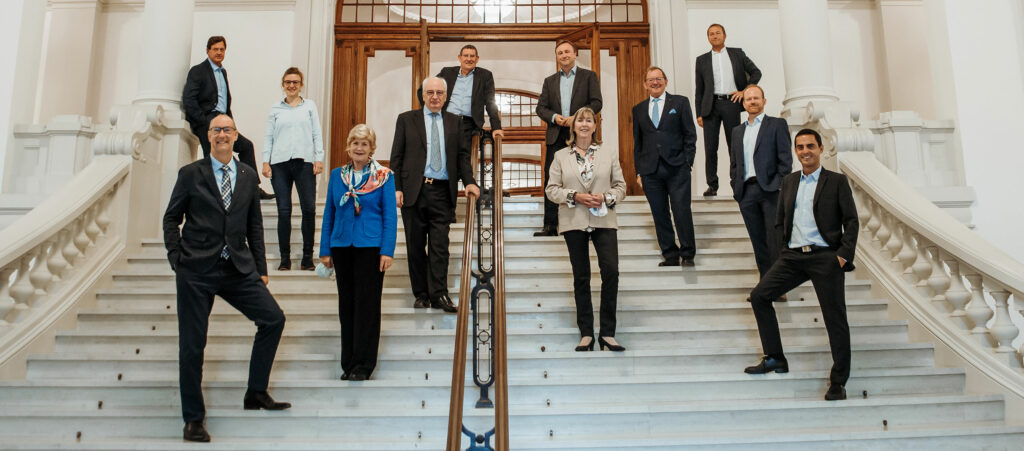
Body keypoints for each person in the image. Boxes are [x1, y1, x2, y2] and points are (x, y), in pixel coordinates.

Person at [162, 114, 290, 443]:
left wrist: (260, 269)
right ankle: (193, 419)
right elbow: (171, 218)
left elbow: (254, 227)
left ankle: (256, 392)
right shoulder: (190, 174)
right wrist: (177, 259)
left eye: (227, 130)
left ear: (236, 136)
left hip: (237, 267)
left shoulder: (247, 176)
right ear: (208, 137)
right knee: (192, 345)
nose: (222, 134)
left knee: (273, 319)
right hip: (196, 271)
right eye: (216, 130)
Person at [744, 128, 859, 402]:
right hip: (793, 257)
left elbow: (852, 221)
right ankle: (775, 358)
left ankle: (839, 381)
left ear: (820, 149)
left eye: (810, 146)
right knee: (760, 296)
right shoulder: (790, 181)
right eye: (800, 147)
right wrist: (783, 249)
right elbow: (781, 219)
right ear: (795, 151)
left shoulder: (837, 181)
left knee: (835, 319)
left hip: (825, 257)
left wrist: (842, 255)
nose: (805, 151)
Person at [390, 76, 481, 313]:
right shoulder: (406, 120)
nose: (434, 97)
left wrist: (469, 182)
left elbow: (462, 156)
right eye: (430, 92)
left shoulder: (455, 122)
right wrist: (396, 188)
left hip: (442, 191)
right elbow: (396, 157)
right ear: (422, 95)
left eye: (439, 93)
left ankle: (439, 294)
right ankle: (421, 294)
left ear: (445, 96)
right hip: (414, 191)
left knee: (440, 246)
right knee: (416, 245)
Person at [545, 107, 627, 352]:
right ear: (573, 126)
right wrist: (575, 196)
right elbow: (552, 190)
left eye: (588, 120)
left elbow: (621, 186)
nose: (584, 124)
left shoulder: (608, 152)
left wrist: (606, 197)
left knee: (611, 272)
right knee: (581, 277)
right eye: (580, 120)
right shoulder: (560, 156)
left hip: (604, 219)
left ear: (594, 125)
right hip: (574, 221)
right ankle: (586, 333)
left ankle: (608, 333)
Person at [319, 124, 397, 382]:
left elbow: (390, 216)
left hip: (371, 248)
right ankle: (348, 362)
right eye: (355, 143)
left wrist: (387, 250)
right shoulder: (336, 175)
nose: (359, 148)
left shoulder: (384, 176)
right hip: (342, 246)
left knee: (368, 306)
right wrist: (325, 249)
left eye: (364, 144)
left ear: (371, 148)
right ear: (348, 147)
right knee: (347, 306)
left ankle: (364, 364)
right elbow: (329, 213)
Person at [182, 35, 273, 199]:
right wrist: (203, 122)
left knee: (245, 146)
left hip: (223, 120)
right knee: (213, 156)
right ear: (208, 51)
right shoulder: (198, 71)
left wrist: (231, 124)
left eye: (222, 49)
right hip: (207, 121)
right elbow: (189, 99)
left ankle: (252, 188)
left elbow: (224, 101)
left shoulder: (222, 72)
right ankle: (211, 192)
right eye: (215, 49)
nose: (219, 52)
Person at [729, 85, 792, 302]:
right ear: (743, 103)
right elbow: (735, 162)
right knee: (758, 241)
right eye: (748, 99)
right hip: (746, 191)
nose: (752, 101)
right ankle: (766, 285)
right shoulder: (737, 131)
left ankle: (779, 286)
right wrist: (735, 185)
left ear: (764, 101)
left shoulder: (777, 125)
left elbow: (785, 160)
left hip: (770, 190)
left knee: (774, 239)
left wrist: (779, 185)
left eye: (756, 98)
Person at [631, 66, 698, 267]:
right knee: (659, 213)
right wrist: (639, 171)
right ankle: (670, 254)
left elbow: (690, 134)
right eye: (650, 79)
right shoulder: (638, 109)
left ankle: (687, 253)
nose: (655, 82)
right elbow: (638, 142)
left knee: (681, 210)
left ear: (666, 81)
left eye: (659, 78)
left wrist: (688, 162)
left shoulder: (680, 102)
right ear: (645, 84)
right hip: (650, 170)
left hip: (677, 167)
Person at [534, 40, 603, 236]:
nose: (564, 55)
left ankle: (589, 224)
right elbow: (541, 108)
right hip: (556, 134)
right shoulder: (549, 81)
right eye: (560, 53)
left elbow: (597, 102)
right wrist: (555, 117)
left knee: (586, 177)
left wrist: (577, 117)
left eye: (567, 52)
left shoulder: (588, 76)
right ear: (557, 57)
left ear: (575, 54)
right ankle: (550, 225)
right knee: (552, 179)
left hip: (581, 134)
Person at [262, 67, 324, 271]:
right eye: (288, 82)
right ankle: (285, 258)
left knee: (309, 208)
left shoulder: (309, 107)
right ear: (283, 84)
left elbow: (316, 133)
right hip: (279, 163)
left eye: (295, 82)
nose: (291, 85)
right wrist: (265, 160)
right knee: (284, 210)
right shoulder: (275, 109)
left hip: (304, 162)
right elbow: (269, 136)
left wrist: (319, 158)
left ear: (301, 85)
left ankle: (307, 257)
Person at [695, 24, 761, 197]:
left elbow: (756, 73)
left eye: (718, 33)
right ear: (708, 37)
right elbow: (699, 89)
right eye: (711, 34)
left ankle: (738, 183)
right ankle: (712, 185)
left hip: (731, 103)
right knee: (710, 148)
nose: (715, 36)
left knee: (735, 145)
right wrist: (699, 113)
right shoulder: (701, 60)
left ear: (724, 35)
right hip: (710, 106)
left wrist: (744, 92)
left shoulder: (737, 53)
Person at [430, 44, 504, 153]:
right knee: (443, 155)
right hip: (446, 120)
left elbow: (490, 102)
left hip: (469, 125)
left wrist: (496, 127)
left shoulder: (485, 76)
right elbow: (425, 89)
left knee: (464, 159)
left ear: (477, 59)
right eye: (466, 55)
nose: (469, 59)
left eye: (472, 56)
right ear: (459, 58)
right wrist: (430, 110)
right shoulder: (447, 73)